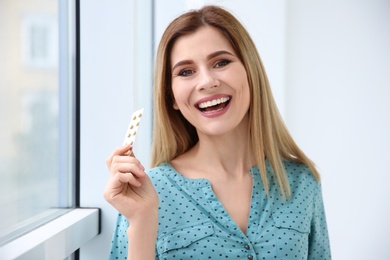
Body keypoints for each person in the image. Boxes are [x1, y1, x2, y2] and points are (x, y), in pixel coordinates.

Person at [104, 5, 331, 260]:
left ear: (250, 72)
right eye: (186, 72)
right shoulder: (144, 193)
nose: (207, 81)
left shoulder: (302, 183)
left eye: (221, 62)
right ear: (172, 97)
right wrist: (143, 221)